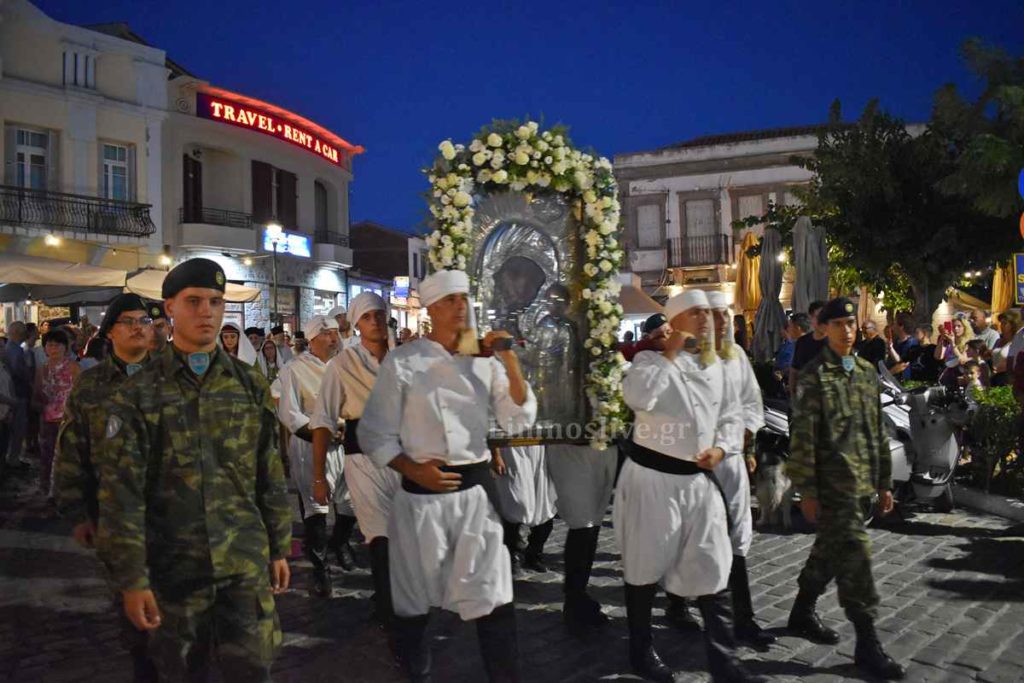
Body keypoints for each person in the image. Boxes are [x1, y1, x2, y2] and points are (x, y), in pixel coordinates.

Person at [95, 258, 293, 681]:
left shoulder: (248, 384)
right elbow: (122, 494)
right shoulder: (139, 393)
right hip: (173, 572)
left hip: (242, 565)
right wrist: (132, 578)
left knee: (253, 671)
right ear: (170, 308)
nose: (207, 311)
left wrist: (278, 544)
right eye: (194, 301)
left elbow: (269, 470)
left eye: (216, 302)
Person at [358, 269, 535, 681]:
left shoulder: (485, 361)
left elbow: (517, 420)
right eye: (451, 300)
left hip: (475, 497)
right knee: (415, 607)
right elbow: (374, 431)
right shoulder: (405, 361)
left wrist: (509, 361)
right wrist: (412, 468)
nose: (461, 307)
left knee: (494, 599)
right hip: (420, 502)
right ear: (432, 309)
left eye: (464, 299)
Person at [616, 289, 761, 683]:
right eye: (695, 313)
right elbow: (638, 396)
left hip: (698, 482)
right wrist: (669, 354)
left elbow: (731, 414)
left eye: (708, 314)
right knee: (645, 567)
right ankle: (641, 650)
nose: (705, 319)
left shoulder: (714, 366)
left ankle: (726, 663)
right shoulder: (648, 360)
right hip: (653, 481)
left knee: (715, 565)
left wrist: (722, 447)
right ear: (676, 320)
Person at [787, 297, 905, 680]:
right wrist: (806, 489)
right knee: (856, 556)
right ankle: (867, 643)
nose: (847, 330)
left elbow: (876, 430)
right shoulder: (814, 375)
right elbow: (802, 437)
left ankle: (802, 610)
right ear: (824, 329)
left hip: (860, 484)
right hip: (830, 484)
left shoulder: (867, 372)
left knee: (827, 551)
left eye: (851, 323)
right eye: (837, 324)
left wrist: (884, 482)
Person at [54, 293, 156, 680]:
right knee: (136, 618)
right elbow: (71, 450)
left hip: (173, 515)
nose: (138, 328)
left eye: (144, 321)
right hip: (116, 518)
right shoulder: (91, 385)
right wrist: (76, 510)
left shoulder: (171, 378)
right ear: (110, 332)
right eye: (128, 322)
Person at [311, 291, 402, 627]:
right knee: (380, 533)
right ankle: (389, 604)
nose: (375, 321)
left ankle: (391, 593)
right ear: (356, 323)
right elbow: (323, 420)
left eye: (379, 314)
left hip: (405, 456)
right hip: (363, 457)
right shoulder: (342, 365)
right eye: (366, 317)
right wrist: (318, 477)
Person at [705, 291, 773, 647]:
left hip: (730, 462)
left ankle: (743, 620)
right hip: (698, 464)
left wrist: (747, 446)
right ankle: (679, 604)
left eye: (723, 315)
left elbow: (751, 402)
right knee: (698, 537)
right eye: (712, 315)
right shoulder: (691, 359)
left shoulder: (737, 357)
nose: (718, 322)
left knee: (737, 536)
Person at [277, 315, 356, 598]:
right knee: (316, 507)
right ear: (312, 339)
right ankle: (320, 569)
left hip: (346, 443)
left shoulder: (346, 365)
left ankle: (341, 542)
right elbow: (289, 411)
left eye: (336, 333)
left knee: (350, 503)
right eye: (327, 334)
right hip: (311, 445)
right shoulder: (294, 369)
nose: (334, 338)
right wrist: (317, 432)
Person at [34, 329, 80, 495]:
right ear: (45, 348)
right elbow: (37, 393)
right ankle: (47, 488)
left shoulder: (73, 367)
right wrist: (42, 404)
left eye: (57, 345)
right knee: (47, 456)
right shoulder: (42, 369)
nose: (53, 349)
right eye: (49, 345)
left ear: (65, 347)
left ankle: (65, 490)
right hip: (47, 419)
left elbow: (80, 393)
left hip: (68, 419)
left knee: (68, 456)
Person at [4, 321, 31, 468]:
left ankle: (12, 458)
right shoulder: (15, 350)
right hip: (17, 394)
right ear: (18, 332)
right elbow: (18, 371)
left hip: (14, 394)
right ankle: (13, 459)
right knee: (17, 428)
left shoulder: (12, 348)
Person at [789, 300, 827, 395]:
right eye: (819, 317)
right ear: (811, 318)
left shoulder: (837, 342)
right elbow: (794, 370)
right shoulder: (802, 342)